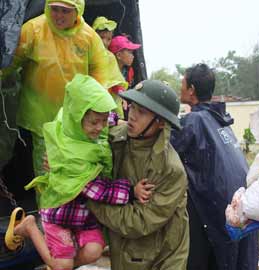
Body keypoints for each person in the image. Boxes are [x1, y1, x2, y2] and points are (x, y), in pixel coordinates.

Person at [7, 74, 154, 270]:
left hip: (82, 216)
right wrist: (131, 192)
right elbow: (98, 190)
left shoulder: (78, 122)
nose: (100, 127)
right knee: (63, 266)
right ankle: (31, 227)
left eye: (102, 121)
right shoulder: (71, 155)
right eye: (94, 122)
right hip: (59, 214)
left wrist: (119, 121)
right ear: (77, 118)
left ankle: (61, 262)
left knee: (95, 250)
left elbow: (101, 114)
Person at [87, 80, 189, 270]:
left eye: (141, 112)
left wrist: (90, 200)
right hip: (128, 253)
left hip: (163, 261)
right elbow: (80, 142)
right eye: (132, 107)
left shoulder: (170, 170)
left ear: (160, 123)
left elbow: (138, 222)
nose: (132, 116)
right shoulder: (117, 138)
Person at [1, 0, 111, 176]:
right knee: (45, 168)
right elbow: (9, 62)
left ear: (77, 10)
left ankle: (71, 202)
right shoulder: (33, 30)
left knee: (73, 166)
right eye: (55, 9)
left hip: (76, 118)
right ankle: (47, 203)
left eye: (65, 11)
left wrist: (98, 109)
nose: (59, 16)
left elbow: (101, 74)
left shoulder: (90, 38)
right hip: (41, 117)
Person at [170, 63, 259, 270]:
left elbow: (166, 149)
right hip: (237, 204)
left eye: (182, 83)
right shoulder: (221, 120)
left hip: (215, 208)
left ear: (191, 90)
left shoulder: (194, 120)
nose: (180, 88)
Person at [92, 16, 128, 119]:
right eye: (101, 37)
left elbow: (115, 79)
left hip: (106, 99)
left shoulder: (110, 57)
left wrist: (121, 93)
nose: (105, 42)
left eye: (108, 39)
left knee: (107, 123)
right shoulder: (86, 53)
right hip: (89, 97)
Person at [108, 35, 141, 120]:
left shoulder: (129, 72)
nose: (133, 56)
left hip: (120, 109)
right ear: (119, 55)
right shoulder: (107, 70)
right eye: (130, 52)